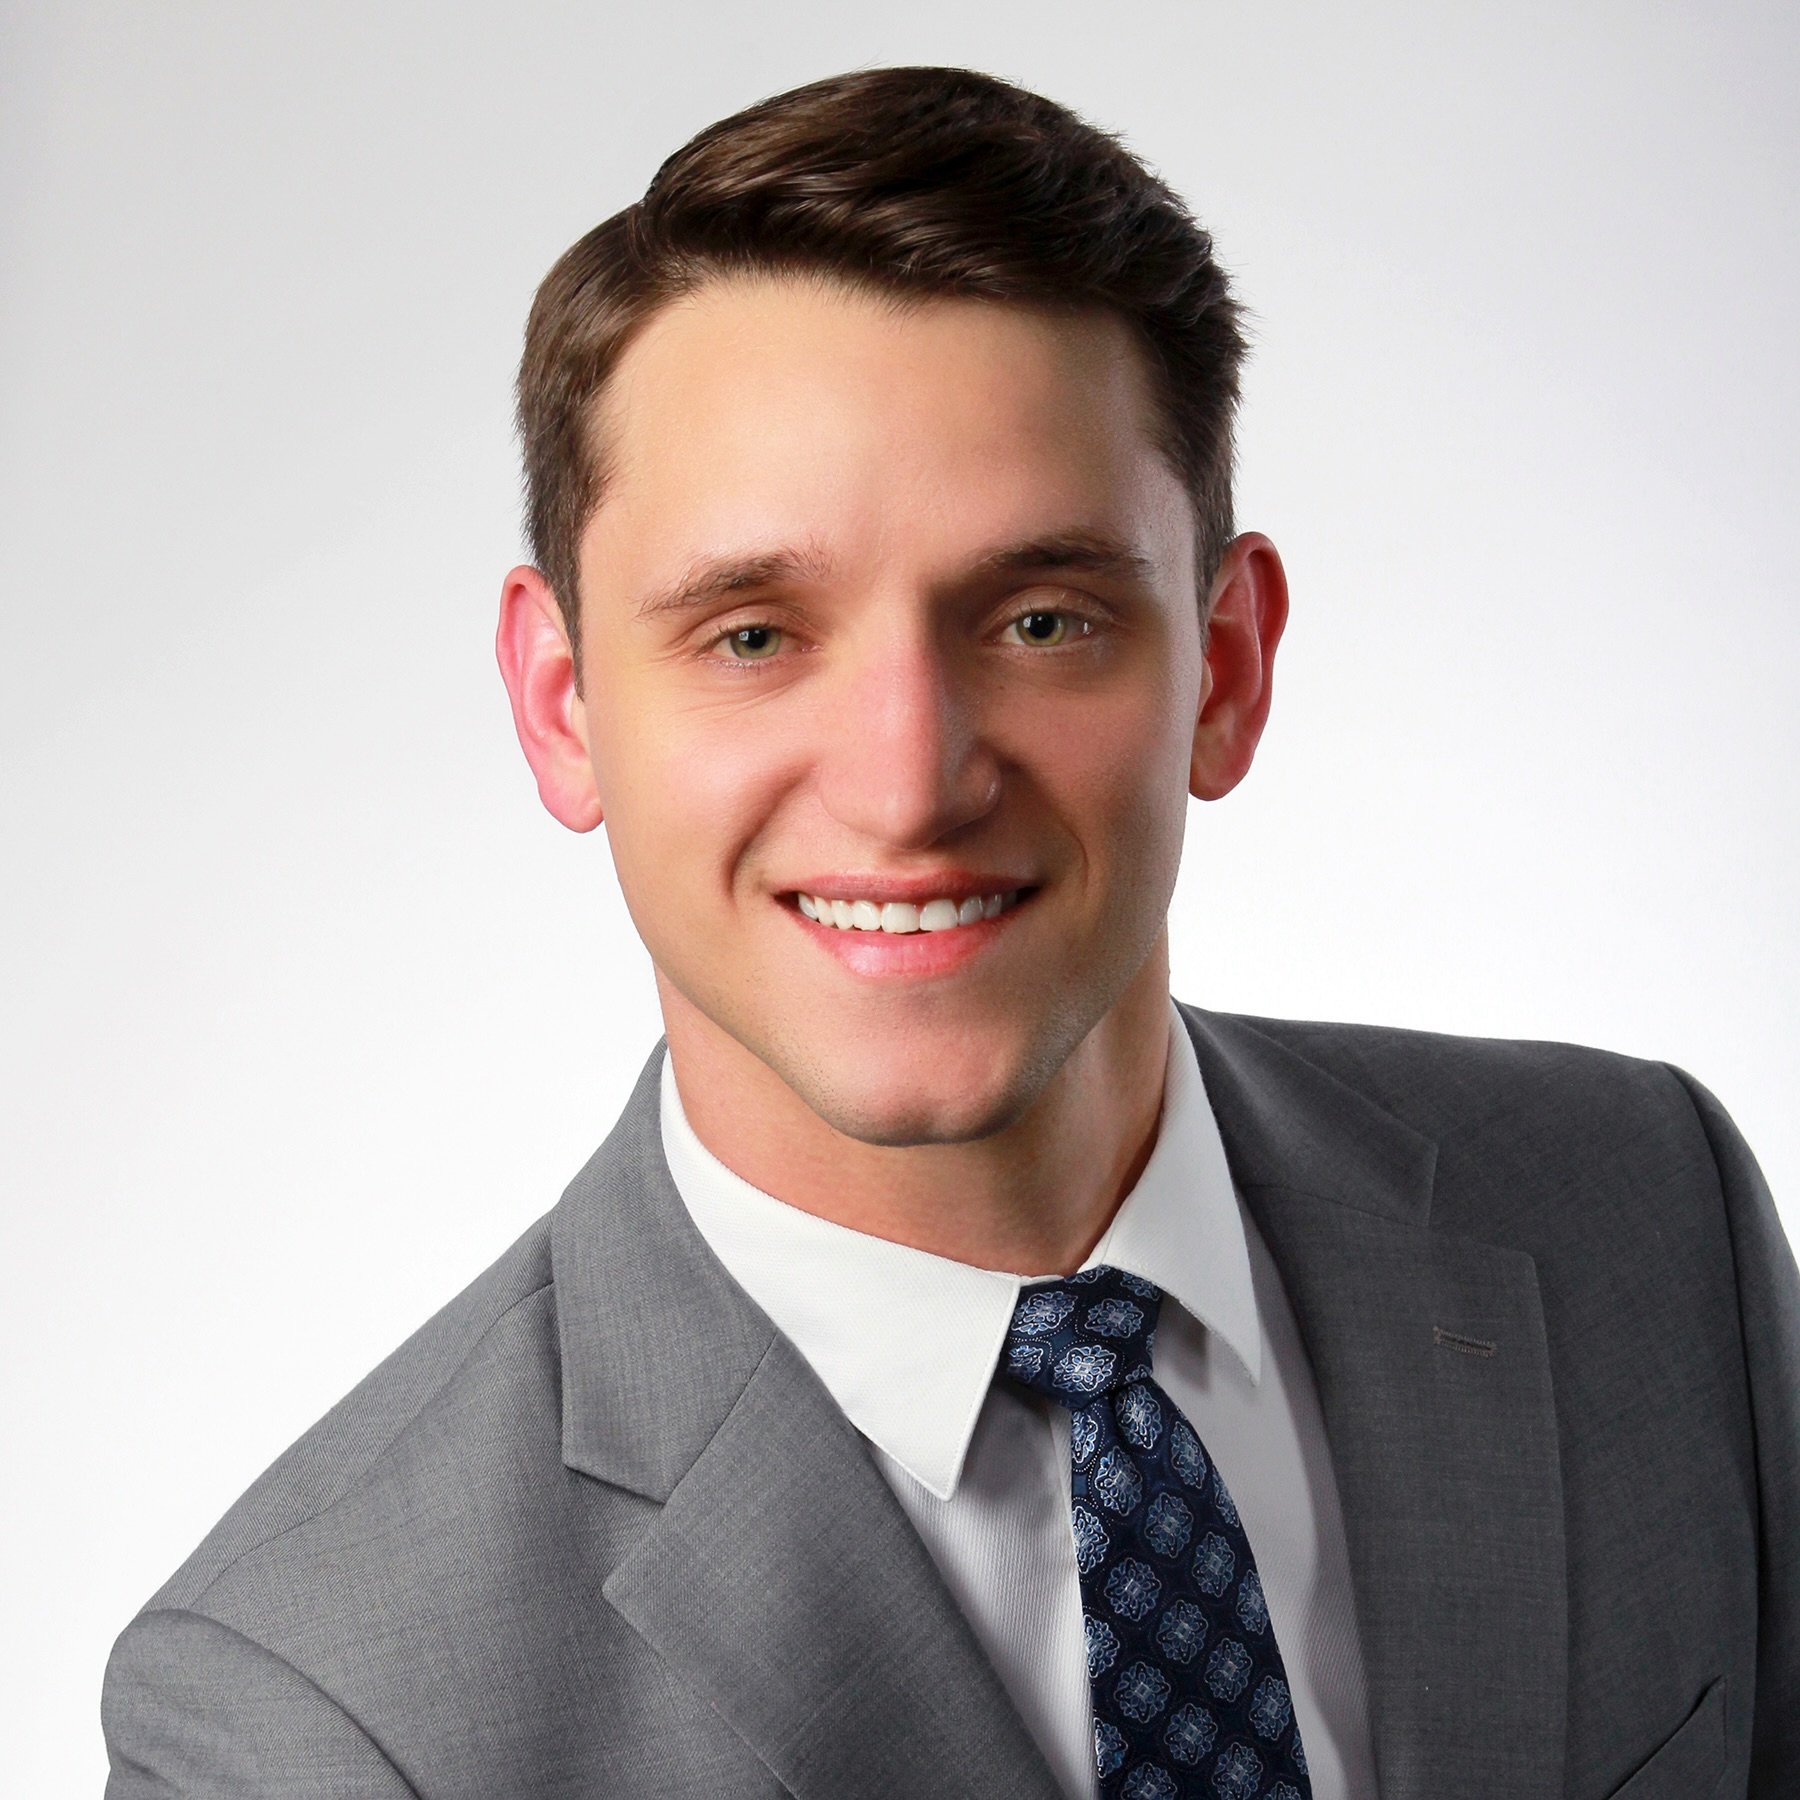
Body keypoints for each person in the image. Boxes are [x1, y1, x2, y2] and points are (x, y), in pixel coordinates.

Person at [101, 64, 1797, 1800]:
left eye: (1043, 618)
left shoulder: (1649, 1235)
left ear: (1225, 667)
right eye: (754, 636)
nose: (909, 784)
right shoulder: (313, 1721)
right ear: (562, 707)